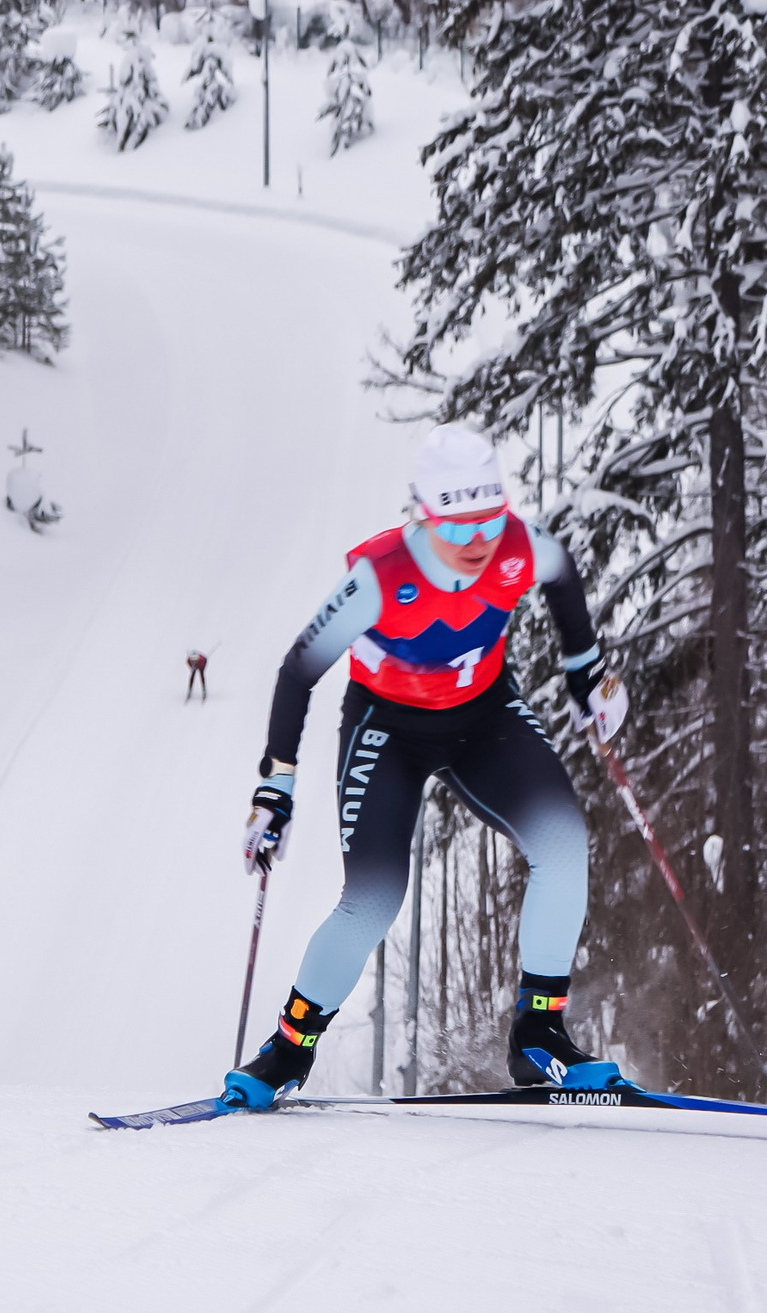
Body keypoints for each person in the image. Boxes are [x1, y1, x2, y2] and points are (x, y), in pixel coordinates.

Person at [228, 425, 630, 1110]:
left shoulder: (519, 546)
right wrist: (277, 785)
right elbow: (299, 670)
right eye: (460, 525)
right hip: (388, 728)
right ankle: (287, 1052)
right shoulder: (379, 576)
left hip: (484, 714)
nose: (479, 541)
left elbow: (562, 577)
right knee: (373, 899)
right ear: (425, 515)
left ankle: (539, 1034)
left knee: (565, 845)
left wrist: (586, 673)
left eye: (489, 520)